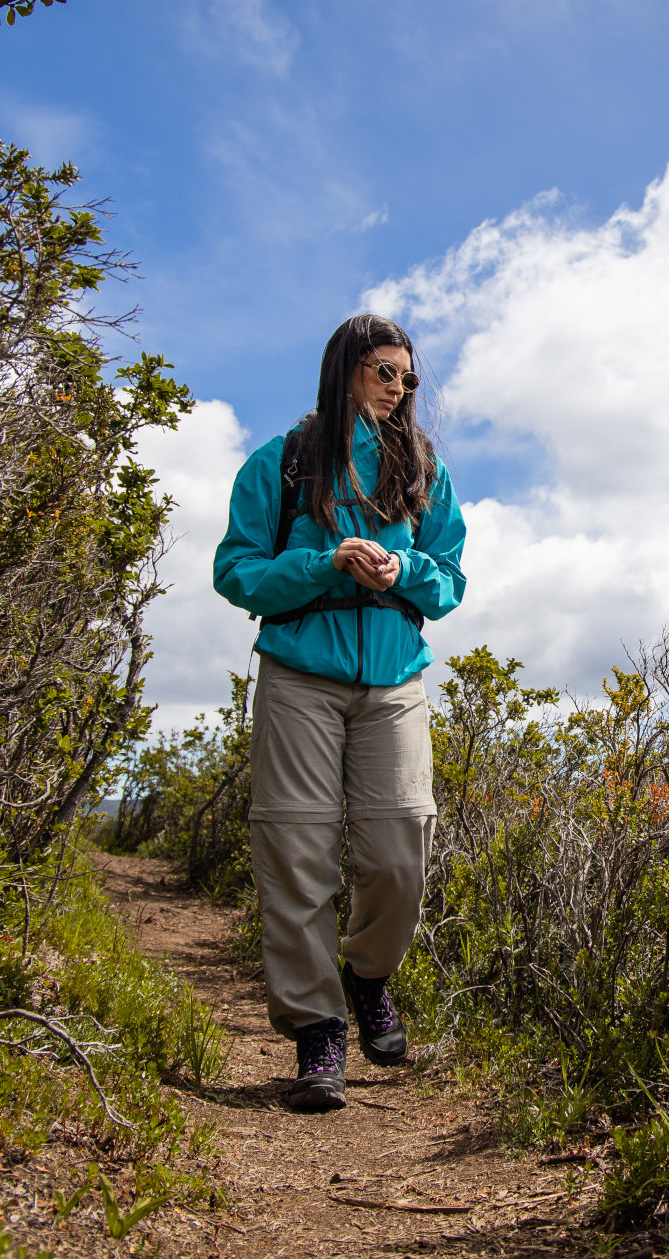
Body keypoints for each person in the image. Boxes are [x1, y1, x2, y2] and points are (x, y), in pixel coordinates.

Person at [212, 313, 465, 1112]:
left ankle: (366, 975)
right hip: (299, 676)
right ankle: (318, 1030)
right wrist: (325, 563)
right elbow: (236, 571)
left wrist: (405, 569)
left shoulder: (423, 468)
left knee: (400, 847)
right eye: (386, 371)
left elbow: (451, 578)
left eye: (407, 377)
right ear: (347, 369)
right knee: (295, 850)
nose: (400, 388)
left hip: (394, 677)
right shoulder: (282, 463)